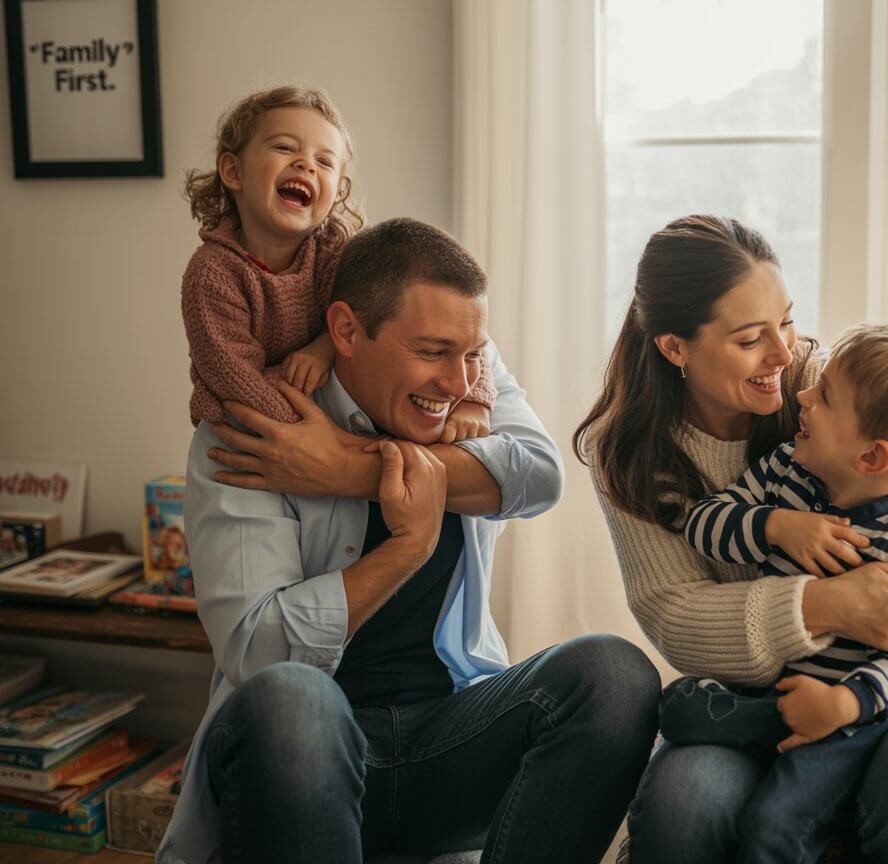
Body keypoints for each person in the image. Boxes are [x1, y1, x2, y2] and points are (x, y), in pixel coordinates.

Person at [158, 218, 660, 864]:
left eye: (472, 354)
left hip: (447, 741)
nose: (457, 385)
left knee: (614, 674)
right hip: (303, 756)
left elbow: (541, 476)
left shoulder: (469, 374)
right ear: (345, 330)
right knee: (295, 699)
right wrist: (405, 552)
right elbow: (256, 652)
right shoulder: (255, 433)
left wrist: (347, 469)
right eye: (431, 352)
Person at [574, 215, 888, 864]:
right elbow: (673, 615)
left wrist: (873, 678)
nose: (785, 357)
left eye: (786, 321)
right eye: (749, 339)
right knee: (686, 800)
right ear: (676, 348)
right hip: (756, 699)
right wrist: (826, 604)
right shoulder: (629, 453)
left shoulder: (851, 387)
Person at [660, 323, 888, 863]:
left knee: (775, 825)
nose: (802, 395)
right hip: (782, 688)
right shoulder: (787, 468)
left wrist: (842, 704)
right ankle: (772, 718)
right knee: (676, 715)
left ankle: (787, 730)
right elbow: (705, 523)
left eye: (825, 398)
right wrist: (775, 526)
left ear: (871, 457)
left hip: (850, 722)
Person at [181, 85, 494, 440]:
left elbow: (463, 333)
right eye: (285, 147)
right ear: (233, 171)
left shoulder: (334, 247)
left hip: (336, 412)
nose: (305, 164)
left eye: (324, 161)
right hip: (252, 422)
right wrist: (323, 441)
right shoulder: (213, 275)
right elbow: (237, 382)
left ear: (337, 192)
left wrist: (475, 401)